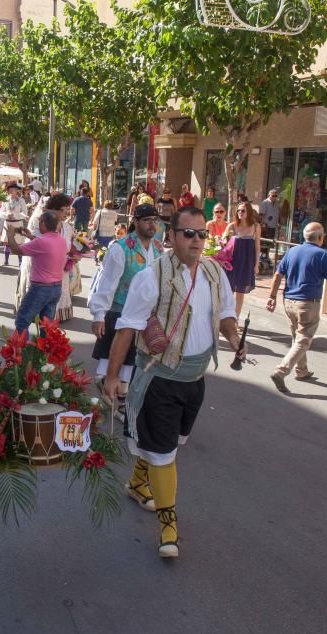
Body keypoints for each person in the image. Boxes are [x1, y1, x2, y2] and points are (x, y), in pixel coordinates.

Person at [103, 206, 243, 558]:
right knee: (165, 455)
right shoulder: (151, 277)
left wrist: (236, 340)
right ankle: (168, 525)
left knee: (166, 444)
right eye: (189, 234)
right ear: (173, 236)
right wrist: (111, 376)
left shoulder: (215, 273)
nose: (197, 241)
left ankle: (137, 482)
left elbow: (226, 314)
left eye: (202, 234)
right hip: (159, 380)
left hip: (194, 379)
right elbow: (127, 329)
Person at [265, 222, 327, 393]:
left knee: (297, 337)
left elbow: (278, 274)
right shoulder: (323, 255)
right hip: (308, 303)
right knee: (303, 340)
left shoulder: (292, 251)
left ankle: (302, 371)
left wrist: (272, 296)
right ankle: (281, 371)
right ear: (321, 238)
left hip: (289, 302)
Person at [89, 204, 163, 414]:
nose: (152, 224)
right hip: (120, 313)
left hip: (146, 315)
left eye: (155, 220)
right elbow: (107, 284)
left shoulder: (158, 248)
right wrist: (99, 315)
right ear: (136, 221)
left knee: (134, 363)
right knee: (120, 360)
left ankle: (120, 397)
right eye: (147, 220)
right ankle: (116, 400)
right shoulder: (120, 248)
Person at [6, 209, 69, 335]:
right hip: (56, 287)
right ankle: (43, 351)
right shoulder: (61, 240)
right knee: (46, 324)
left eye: (40, 222)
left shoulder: (41, 242)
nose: (38, 224)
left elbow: (16, 250)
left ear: (43, 223)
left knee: (22, 321)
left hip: (40, 288)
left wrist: (10, 235)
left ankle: (24, 352)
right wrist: (30, 236)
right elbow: (46, 245)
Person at [223, 201, 260, 319]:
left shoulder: (255, 227)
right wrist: (224, 240)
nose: (240, 212)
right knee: (229, 292)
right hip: (232, 262)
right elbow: (222, 242)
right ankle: (226, 318)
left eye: (243, 210)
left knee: (240, 292)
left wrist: (256, 265)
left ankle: (236, 319)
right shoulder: (232, 226)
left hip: (247, 262)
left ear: (248, 211)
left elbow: (257, 246)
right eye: (238, 210)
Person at [0, 182, 28, 266]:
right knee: (7, 243)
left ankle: (20, 261)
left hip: (18, 224)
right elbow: (1, 212)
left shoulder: (21, 201)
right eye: (10, 190)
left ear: (17, 191)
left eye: (13, 190)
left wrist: (15, 215)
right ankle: (6, 260)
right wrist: (6, 214)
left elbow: (24, 213)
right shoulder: (5, 200)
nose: (11, 191)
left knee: (18, 243)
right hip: (8, 223)